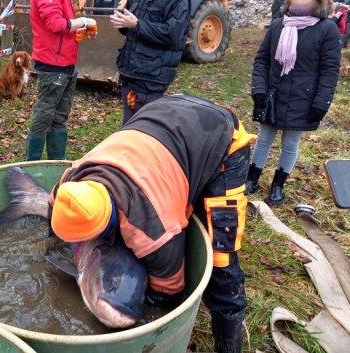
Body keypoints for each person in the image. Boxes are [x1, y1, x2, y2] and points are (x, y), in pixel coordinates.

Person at [48, 93, 255, 353]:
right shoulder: (68, 184)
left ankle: (229, 344)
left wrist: (150, 310)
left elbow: (169, 291)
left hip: (219, 137)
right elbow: (53, 218)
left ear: (110, 220)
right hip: (165, 114)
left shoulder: (153, 228)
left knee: (221, 261)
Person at [247, 0, 341, 205]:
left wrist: (321, 103)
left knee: (290, 143)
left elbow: (329, 71)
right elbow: (262, 60)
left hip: (303, 98)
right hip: (273, 95)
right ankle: (252, 179)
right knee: (264, 139)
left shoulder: (326, 29)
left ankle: (278, 185)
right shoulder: (279, 25)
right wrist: (259, 90)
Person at [26, 0, 97, 160]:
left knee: (60, 115)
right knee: (45, 114)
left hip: (65, 62)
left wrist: (79, 32)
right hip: (52, 63)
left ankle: (56, 161)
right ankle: (32, 163)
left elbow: (63, 27)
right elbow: (54, 24)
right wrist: (82, 21)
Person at [110, 0, 191, 124]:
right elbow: (133, 27)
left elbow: (173, 35)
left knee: (145, 130)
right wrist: (122, 24)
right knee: (128, 128)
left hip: (151, 79)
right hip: (131, 74)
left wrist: (136, 24)